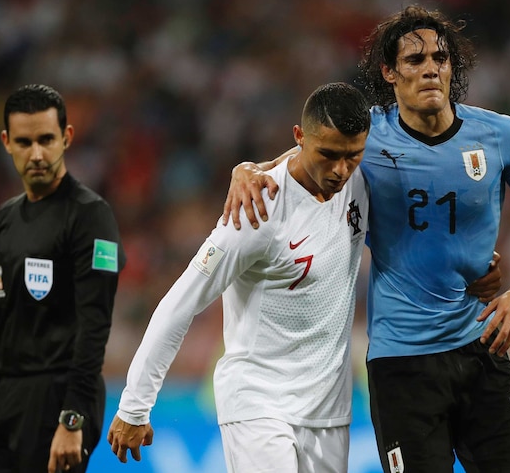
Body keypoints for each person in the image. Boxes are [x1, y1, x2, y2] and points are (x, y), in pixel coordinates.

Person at [223, 5, 510, 473]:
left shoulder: (500, 135)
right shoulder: (368, 134)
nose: (430, 68)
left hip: (480, 349)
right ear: (389, 71)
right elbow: (300, 162)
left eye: (440, 58)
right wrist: (245, 170)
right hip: (402, 364)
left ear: (452, 68)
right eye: (414, 60)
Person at [106, 82, 372, 473]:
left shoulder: (360, 182)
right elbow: (179, 305)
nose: (340, 170)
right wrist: (134, 405)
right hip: (258, 402)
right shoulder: (256, 211)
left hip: (329, 410)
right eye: (328, 155)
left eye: (352, 156)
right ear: (299, 137)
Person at [0, 84, 126, 473]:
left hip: (62, 396)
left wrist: (72, 419)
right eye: (25, 141)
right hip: (8, 399)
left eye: (46, 139)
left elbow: (94, 326)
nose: (36, 153)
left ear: (66, 138)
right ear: (6, 142)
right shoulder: (5, 220)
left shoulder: (90, 216)